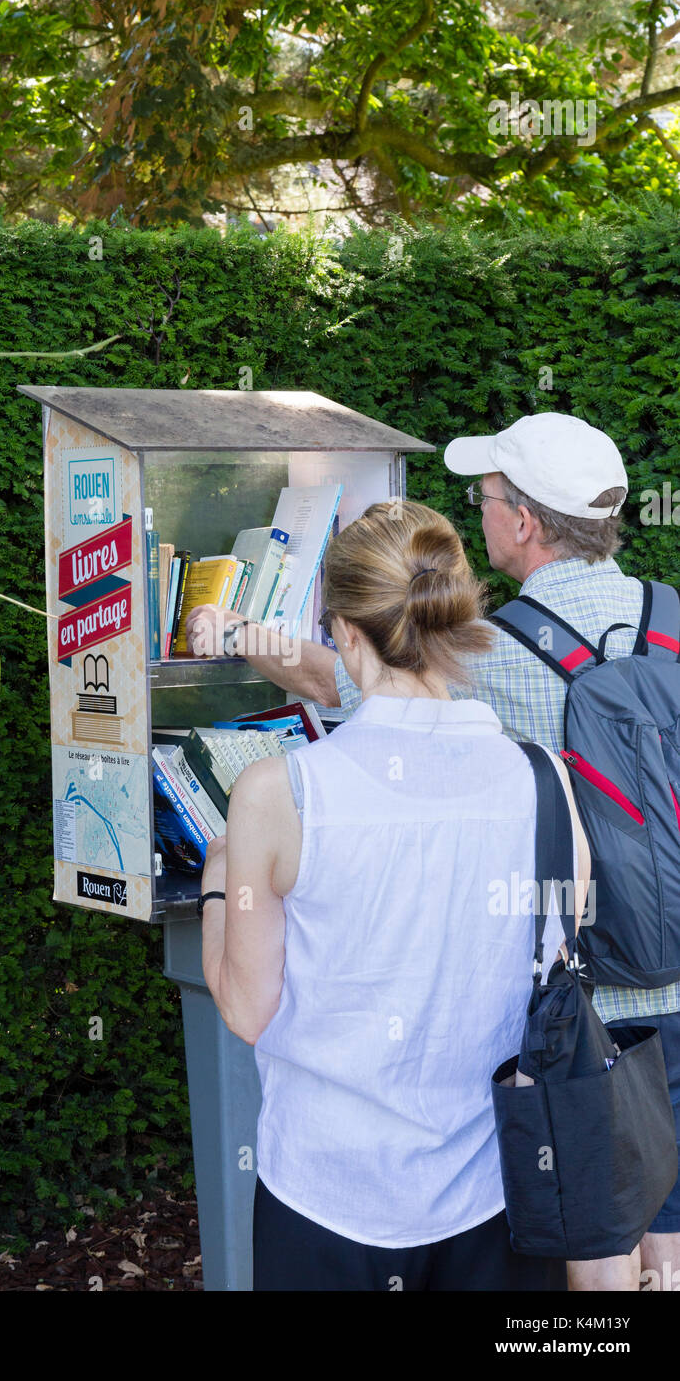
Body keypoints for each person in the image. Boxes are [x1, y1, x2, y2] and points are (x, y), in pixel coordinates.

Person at [186, 412, 680, 1292]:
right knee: (656, 1240)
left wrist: (235, 637)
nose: (485, 512)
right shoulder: (661, 626)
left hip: (370, 1161)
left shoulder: (469, 663)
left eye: (488, 497)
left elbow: (346, 668)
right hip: (642, 1012)